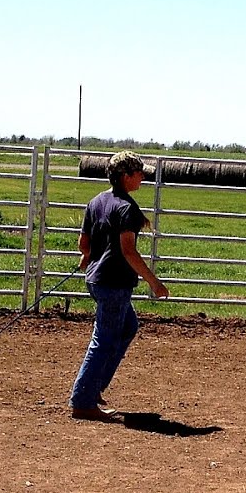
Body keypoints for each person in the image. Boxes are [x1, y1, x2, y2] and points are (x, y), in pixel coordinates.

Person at [70, 150, 168, 421]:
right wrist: (154, 282)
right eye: (139, 173)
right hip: (113, 282)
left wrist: (89, 257)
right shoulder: (127, 209)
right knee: (104, 340)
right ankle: (83, 400)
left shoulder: (96, 201)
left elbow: (83, 244)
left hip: (97, 280)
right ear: (126, 176)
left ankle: (94, 387)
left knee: (127, 327)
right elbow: (129, 251)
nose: (142, 177)